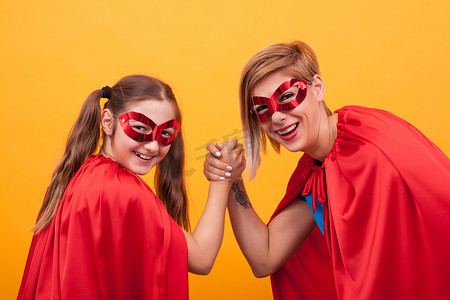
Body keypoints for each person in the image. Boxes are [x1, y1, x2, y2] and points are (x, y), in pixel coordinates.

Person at [204, 41, 450, 299]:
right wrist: (231, 178)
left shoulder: (370, 147)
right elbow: (265, 255)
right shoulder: (318, 170)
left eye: (287, 96)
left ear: (317, 88)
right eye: (262, 109)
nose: (276, 117)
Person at [18, 74, 245, 300]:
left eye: (165, 133)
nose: (154, 145)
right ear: (107, 121)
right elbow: (202, 259)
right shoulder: (126, 192)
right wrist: (222, 179)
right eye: (140, 128)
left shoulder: (75, 175)